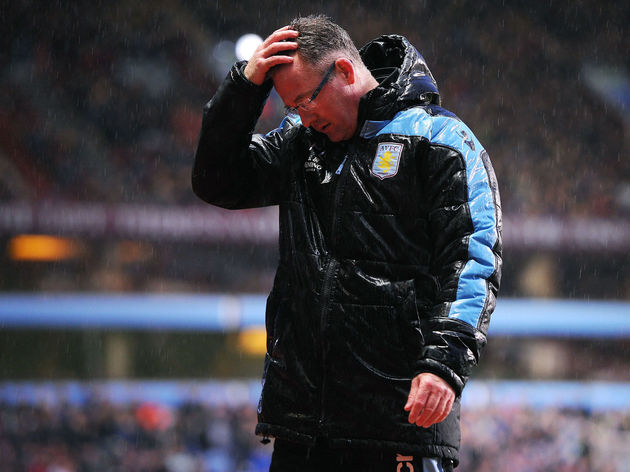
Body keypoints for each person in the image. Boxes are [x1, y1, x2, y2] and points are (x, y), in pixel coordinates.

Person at [192, 14, 502, 472]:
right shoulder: (300, 142)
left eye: (305, 100)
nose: (303, 116)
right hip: (303, 423)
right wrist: (244, 87)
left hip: (399, 419)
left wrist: (443, 364)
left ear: (343, 70)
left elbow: (473, 258)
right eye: (291, 107)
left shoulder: (441, 141)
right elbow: (216, 181)